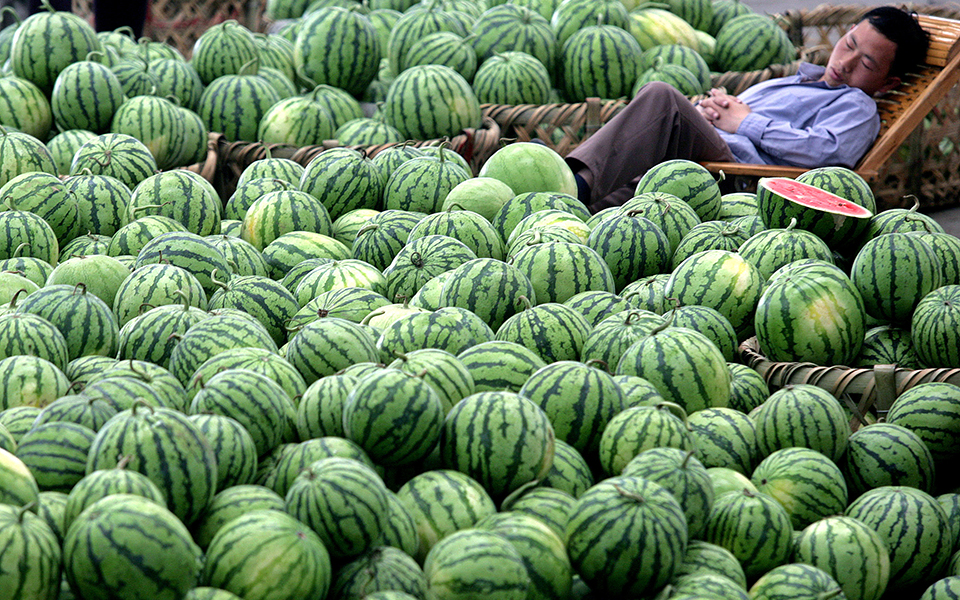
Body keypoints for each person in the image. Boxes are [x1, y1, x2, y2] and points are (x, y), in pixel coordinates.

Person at [565, 6, 930, 213]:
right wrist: (712, 109)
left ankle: (571, 183)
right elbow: (736, 116)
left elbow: (827, 153)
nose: (846, 61)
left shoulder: (858, 106)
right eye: (848, 43)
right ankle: (562, 209)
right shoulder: (805, 79)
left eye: (866, 64)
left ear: (887, 84)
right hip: (712, 154)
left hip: (741, 175)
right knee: (614, 198)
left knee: (661, 96)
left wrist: (745, 121)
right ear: (847, 31)